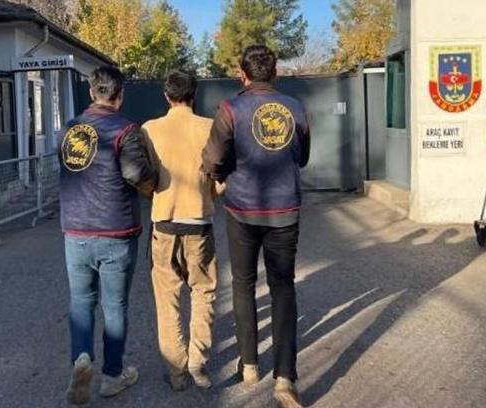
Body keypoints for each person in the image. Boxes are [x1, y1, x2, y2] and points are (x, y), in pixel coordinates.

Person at [202, 45, 310, 408]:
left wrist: (221, 175)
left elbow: (213, 159)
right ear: (275, 73)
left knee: (244, 284)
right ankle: (285, 377)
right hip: (285, 211)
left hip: (242, 210)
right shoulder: (295, 108)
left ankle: (249, 364)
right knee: (283, 287)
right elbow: (303, 156)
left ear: (242, 74)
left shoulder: (230, 109)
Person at [58, 65, 157, 406]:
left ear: (91, 92)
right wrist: (156, 184)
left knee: (81, 301)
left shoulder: (69, 129)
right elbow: (135, 174)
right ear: (120, 94)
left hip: (75, 230)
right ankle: (113, 376)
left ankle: (81, 358)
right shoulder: (125, 130)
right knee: (114, 306)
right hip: (116, 230)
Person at [141, 70, 220, 392]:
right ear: (194, 94)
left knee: (167, 298)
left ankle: (176, 371)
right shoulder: (210, 127)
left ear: (166, 95)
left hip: (164, 222)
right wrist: (209, 195)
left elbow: (143, 175)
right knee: (204, 291)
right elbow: (221, 177)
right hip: (199, 222)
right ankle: (198, 359)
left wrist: (154, 195)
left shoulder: (149, 130)